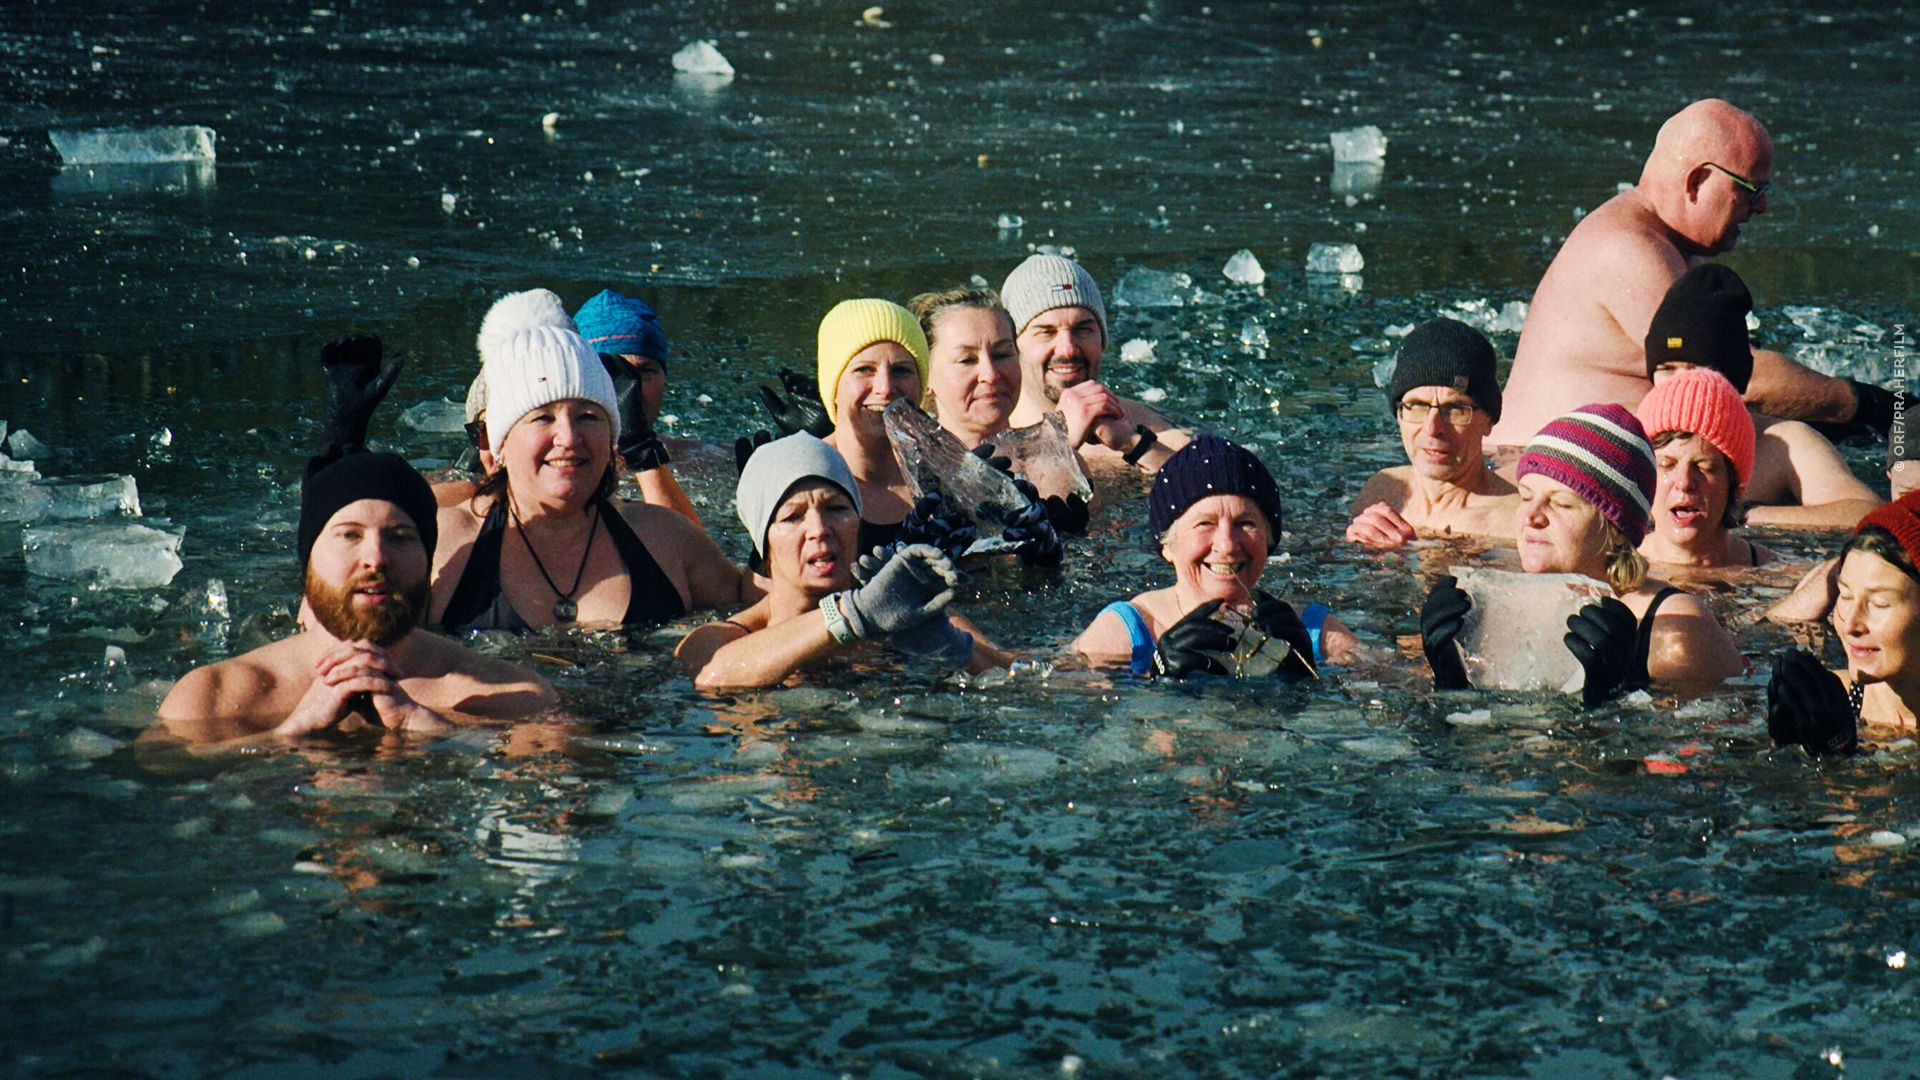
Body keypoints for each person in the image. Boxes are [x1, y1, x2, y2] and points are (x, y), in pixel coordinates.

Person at [1490, 99, 1897, 444]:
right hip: (1541, 479)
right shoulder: (1626, 248)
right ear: (1697, 182)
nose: (1761, 208)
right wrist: (1877, 407)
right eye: (1752, 190)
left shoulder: (1674, 245)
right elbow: (1736, 379)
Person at [156, 452, 556, 742]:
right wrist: (291, 733)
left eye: (400, 538)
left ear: (427, 559)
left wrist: (439, 734)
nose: (376, 558)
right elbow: (161, 780)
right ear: (309, 559)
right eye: (349, 535)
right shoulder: (213, 697)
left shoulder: (511, 696)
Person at [433, 324, 754, 632]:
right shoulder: (444, 545)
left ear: (613, 434)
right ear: (499, 441)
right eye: (542, 417)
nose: (569, 438)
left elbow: (764, 616)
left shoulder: (669, 539)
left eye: (588, 416)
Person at [1422, 405, 1744, 702]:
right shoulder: (1491, 602)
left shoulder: (1676, 629)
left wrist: (1618, 700)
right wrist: (1450, 683)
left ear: (1615, 529)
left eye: (1560, 502)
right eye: (1525, 497)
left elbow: (1721, 746)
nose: (1531, 517)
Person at [676, 434, 1011, 689]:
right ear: (764, 544)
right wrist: (853, 614)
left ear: (859, 525)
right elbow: (711, 674)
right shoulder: (719, 637)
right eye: (793, 517)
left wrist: (951, 647)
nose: (819, 530)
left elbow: (1020, 676)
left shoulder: (902, 606)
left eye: (836, 508)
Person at [1073, 434, 1355, 676]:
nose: (1228, 544)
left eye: (1246, 523)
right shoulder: (1125, 633)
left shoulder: (1315, 632)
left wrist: (1310, 679)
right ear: (1167, 545)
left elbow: (1386, 692)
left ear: (1269, 537)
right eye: (1204, 524)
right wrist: (1157, 683)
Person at [1638, 266, 1880, 529]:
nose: (1682, 383)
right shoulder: (1633, 436)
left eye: (1696, 368)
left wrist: (1743, 515)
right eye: (1667, 369)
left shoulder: (1783, 444)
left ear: (1735, 375)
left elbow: (1867, 513)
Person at [1001, 254, 1188, 472]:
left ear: (1102, 339)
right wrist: (1058, 443)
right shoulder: (984, 433)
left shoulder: (1154, 430)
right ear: (1013, 346)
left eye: (1083, 329)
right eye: (1046, 332)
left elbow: (1222, 490)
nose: (1068, 349)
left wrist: (1135, 444)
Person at [1766, 494, 1920, 755]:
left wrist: (1841, 759)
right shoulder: (1823, 702)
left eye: (1880, 603)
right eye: (1845, 596)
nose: (1851, 624)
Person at [1345, 318, 1519, 548]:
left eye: (1455, 410)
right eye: (1417, 406)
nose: (1433, 428)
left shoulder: (1516, 524)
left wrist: (1407, 562)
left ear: (1488, 420)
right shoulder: (1383, 489)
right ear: (1398, 414)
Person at [572, 288, 701, 525]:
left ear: (665, 379)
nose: (631, 387)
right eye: (613, 372)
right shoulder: (558, 465)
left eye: (645, 371)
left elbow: (692, 559)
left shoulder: (700, 459)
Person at [1634, 367, 1776, 568]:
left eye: (1704, 467)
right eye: (1666, 465)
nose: (1684, 482)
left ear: (1736, 488)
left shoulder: (1773, 573)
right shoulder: (1604, 578)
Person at [1768, 444, 1920, 624]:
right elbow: (1768, 633)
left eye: (1880, 604)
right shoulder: (1841, 570)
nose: (1851, 625)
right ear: (1890, 479)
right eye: (1908, 494)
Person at [909, 286, 1022, 452]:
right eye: (967, 360)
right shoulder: (904, 470)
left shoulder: (1058, 461)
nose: (990, 375)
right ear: (925, 375)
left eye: (1002, 355)